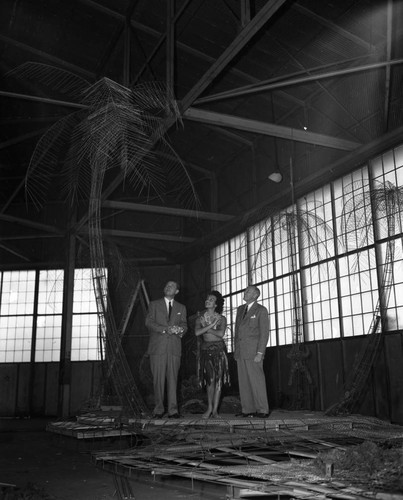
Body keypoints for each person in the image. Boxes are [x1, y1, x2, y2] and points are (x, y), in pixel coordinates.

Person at [145, 280, 188, 418]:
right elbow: (149, 322)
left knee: (173, 380)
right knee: (158, 380)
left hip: (174, 349)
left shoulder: (181, 307)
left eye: (172, 286)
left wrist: (181, 329)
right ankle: (158, 410)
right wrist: (165, 330)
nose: (168, 287)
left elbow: (185, 325)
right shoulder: (154, 304)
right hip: (158, 348)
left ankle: (173, 410)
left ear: (177, 292)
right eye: (167, 285)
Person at [234, 285, 270, 418]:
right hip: (241, 351)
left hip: (254, 351)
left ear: (255, 295)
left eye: (248, 291)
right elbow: (237, 331)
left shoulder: (261, 310)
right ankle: (248, 409)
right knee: (244, 382)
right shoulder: (240, 310)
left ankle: (262, 409)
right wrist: (236, 350)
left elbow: (264, 333)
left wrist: (260, 353)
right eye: (245, 291)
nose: (245, 292)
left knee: (257, 381)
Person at [195, 291, 229, 419]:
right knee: (210, 380)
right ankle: (209, 407)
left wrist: (207, 328)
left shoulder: (222, 318)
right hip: (206, 351)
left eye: (211, 299)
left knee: (219, 380)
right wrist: (211, 326)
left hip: (219, 351)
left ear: (216, 304)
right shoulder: (200, 318)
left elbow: (220, 334)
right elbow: (197, 332)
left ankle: (215, 410)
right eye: (207, 298)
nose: (207, 300)